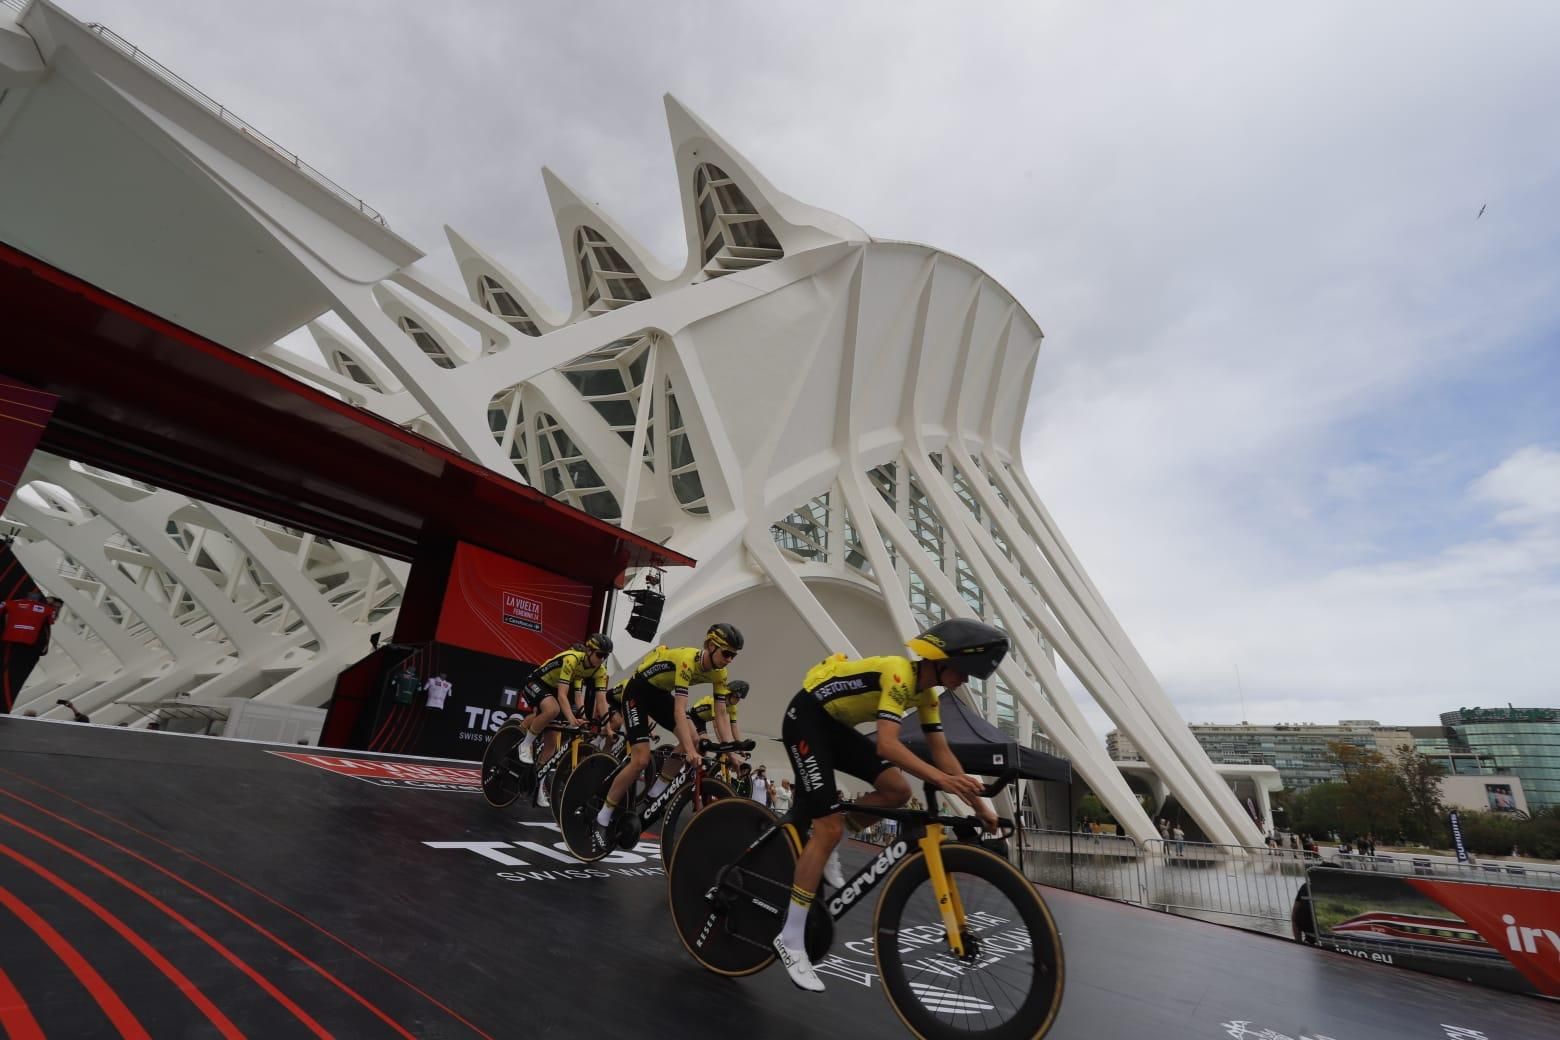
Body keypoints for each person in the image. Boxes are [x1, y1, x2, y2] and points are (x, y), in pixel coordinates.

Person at [772, 617, 1006, 993]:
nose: (964, 681)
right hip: (806, 719)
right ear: (941, 662)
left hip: (833, 728)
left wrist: (985, 811)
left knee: (896, 790)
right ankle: (791, 937)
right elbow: (887, 745)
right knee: (826, 827)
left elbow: (942, 753)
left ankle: (837, 837)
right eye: (963, 672)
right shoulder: (899, 674)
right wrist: (942, 780)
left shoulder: (928, 695)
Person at [589, 623, 744, 854]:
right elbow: (679, 711)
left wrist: (732, 753)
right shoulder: (687, 661)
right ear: (711, 646)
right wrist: (689, 751)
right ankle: (602, 818)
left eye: (734, 655)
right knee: (640, 760)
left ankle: (654, 793)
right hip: (637, 692)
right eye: (726, 653)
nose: (730, 659)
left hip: (660, 694)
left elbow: (721, 714)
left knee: (695, 738)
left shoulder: (720, 673)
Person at [516, 634, 613, 769]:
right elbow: (562, 695)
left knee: (552, 741)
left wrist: (608, 728)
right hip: (537, 681)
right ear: (589, 650)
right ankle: (525, 744)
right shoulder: (571, 659)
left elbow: (602, 701)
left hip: (553, 689)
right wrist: (572, 719)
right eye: (600, 655)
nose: (602, 659)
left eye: (605, 656)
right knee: (552, 709)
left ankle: (538, 776)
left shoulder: (600, 671)